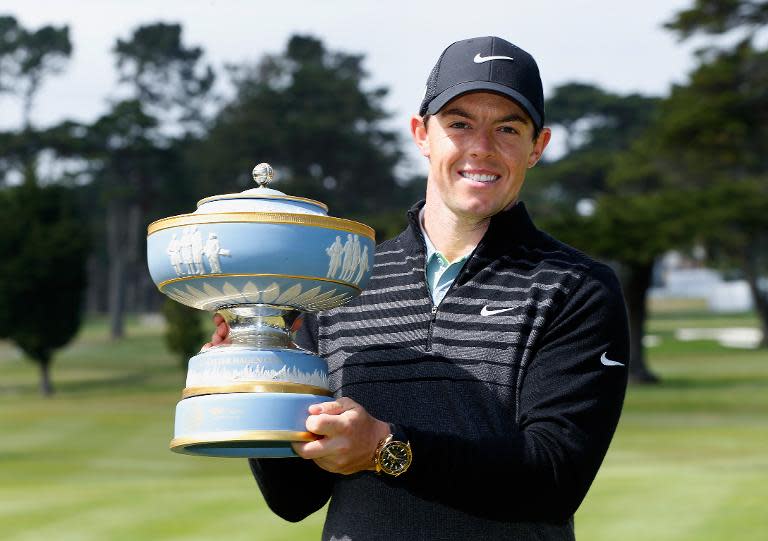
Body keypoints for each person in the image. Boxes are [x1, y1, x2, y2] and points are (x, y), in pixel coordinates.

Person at [205, 35, 629, 541]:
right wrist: (260, 377)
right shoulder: (342, 283)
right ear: (421, 134)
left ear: (537, 146)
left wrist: (387, 447)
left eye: (508, 128)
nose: (481, 148)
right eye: (459, 124)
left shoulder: (575, 288)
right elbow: (294, 498)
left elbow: (554, 477)